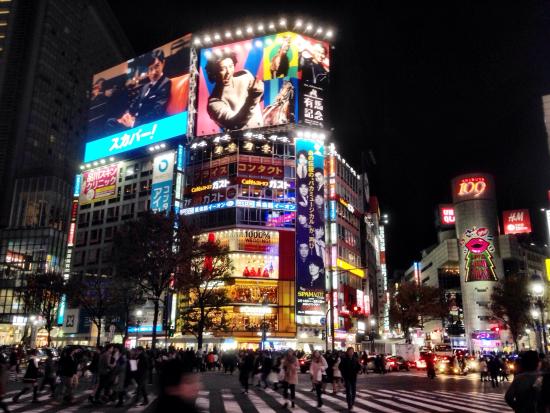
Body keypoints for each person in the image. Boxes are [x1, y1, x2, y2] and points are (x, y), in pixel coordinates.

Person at [205, 52, 264, 131]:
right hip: (240, 141)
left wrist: (259, 90)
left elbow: (260, 97)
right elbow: (235, 124)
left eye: (231, 66)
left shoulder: (245, 75)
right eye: (222, 69)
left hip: (262, 130)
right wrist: (253, 98)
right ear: (213, 72)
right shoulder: (214, 103)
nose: (229, 72)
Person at [116, 50, 171, 129]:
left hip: (144, 125)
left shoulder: (165, 83)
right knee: (111, 122)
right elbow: (133, 104)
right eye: (150, 69)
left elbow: (157, 112)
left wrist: (134, 123)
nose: (153, 72)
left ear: (163, 63)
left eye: (157, 66)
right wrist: (127, 115)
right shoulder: (145, 86)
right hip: (133, 122)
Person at [340, 347, 362, 411]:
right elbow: (340, 367)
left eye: (352, 351)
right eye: (350, 351)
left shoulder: (355, 359)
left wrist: (359, 370)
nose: (351, 352)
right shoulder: (344, 359)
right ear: (347, 352)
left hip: (353, 377)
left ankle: (352, 403)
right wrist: (343, 374)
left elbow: (358, 366)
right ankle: (349, 405)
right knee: (348, 391)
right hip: (347, 377)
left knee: (353, 391)